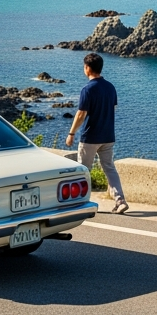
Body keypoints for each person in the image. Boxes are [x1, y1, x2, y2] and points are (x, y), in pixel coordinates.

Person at [65, 52, 127, 214]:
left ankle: (80, 202)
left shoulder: (87, 89)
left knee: (84, 170)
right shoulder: (110, 87)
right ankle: (120, 200)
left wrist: (71, 133)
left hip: (90, 136)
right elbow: (113, 108)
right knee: (109, 168)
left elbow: (81, 114)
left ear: (87, 68)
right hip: (108, 136)